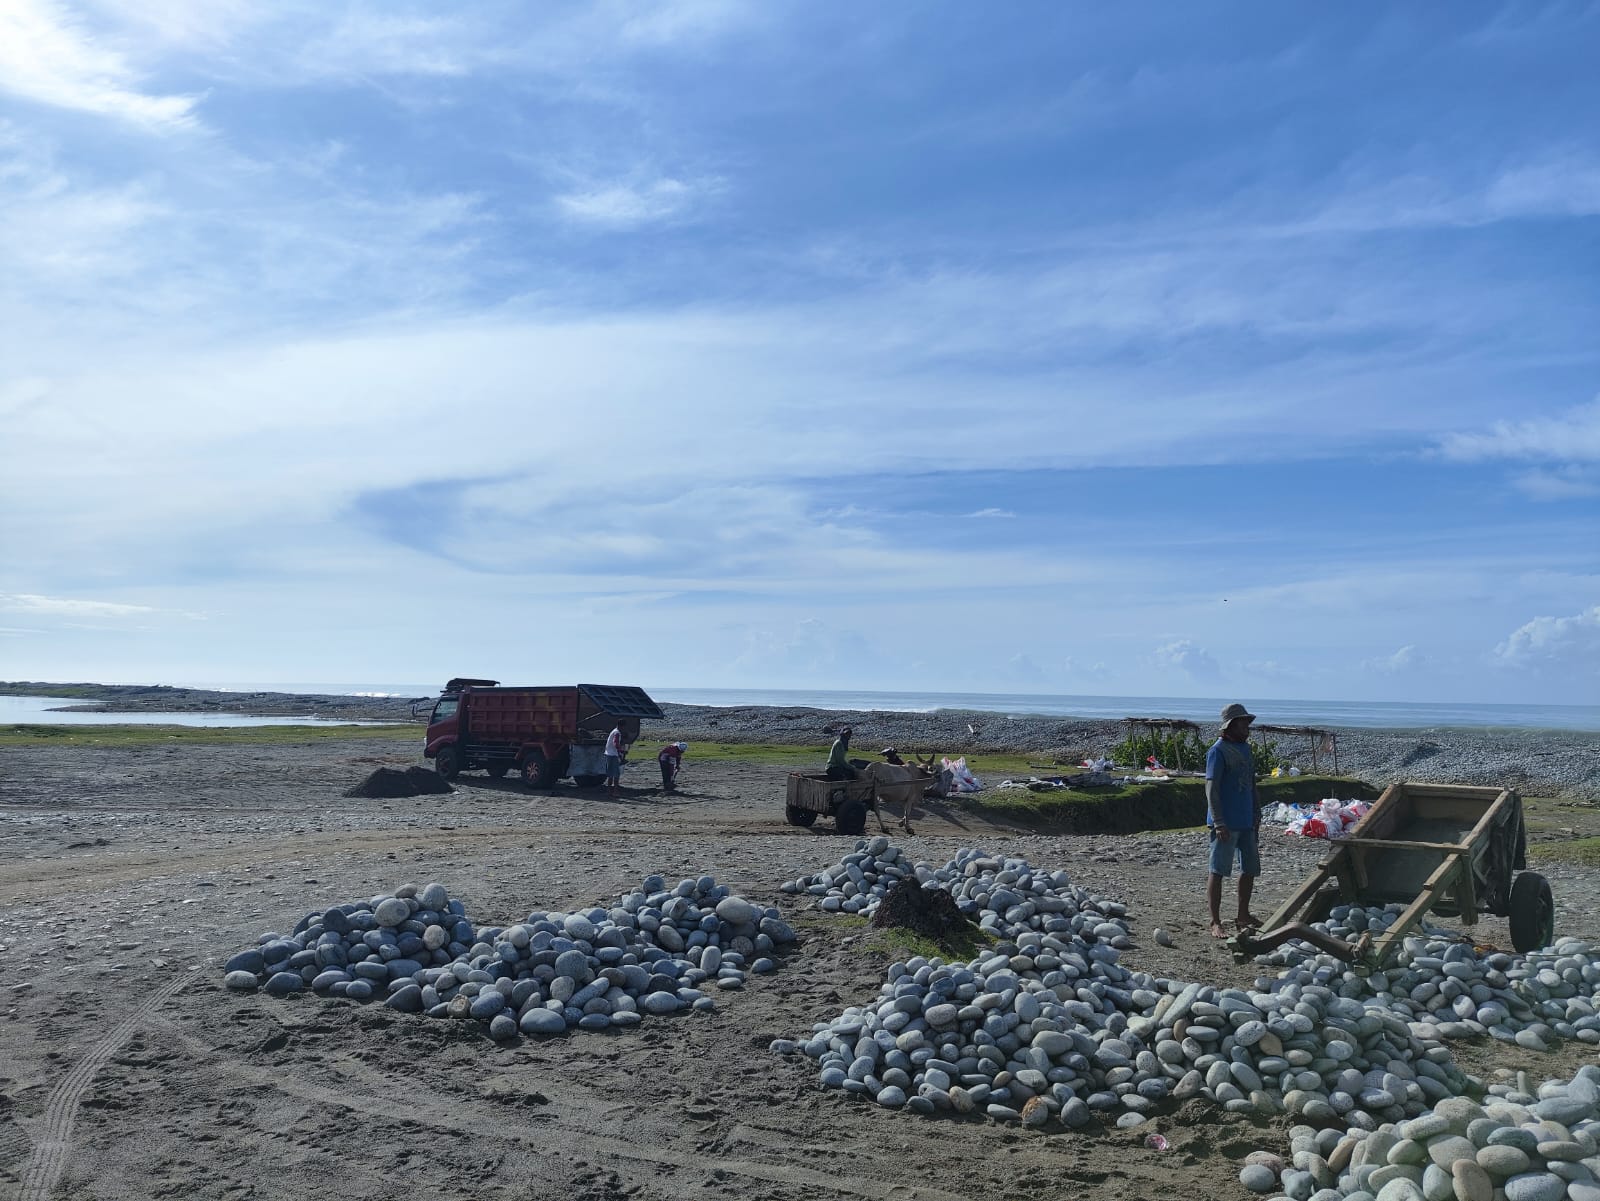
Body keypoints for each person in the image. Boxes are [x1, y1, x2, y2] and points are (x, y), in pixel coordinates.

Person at [1206, 702, 1262, 939]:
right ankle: (1215, 921)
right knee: (1218, 870)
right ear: (1231, 725)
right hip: (1225, 822)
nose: (1247, 727)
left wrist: (1256, 813)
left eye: (1247, 723)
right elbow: (1211, 788)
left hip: (1246, 820)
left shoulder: (1246, 749)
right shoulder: (1218, 751)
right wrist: (1218, 821)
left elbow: (1251, 783)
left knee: (1249, 869)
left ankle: (1242, 914)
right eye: (1243, 723)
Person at [604, 724, 629, 797]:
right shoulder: (617, 733)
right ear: (622, 726)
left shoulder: (613, 731)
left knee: (610, 773)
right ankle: (615, 791)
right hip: (613, 755)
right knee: (616, 774)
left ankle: (609, 791)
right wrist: (621, 751)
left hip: (608, 754)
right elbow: (616, 743)